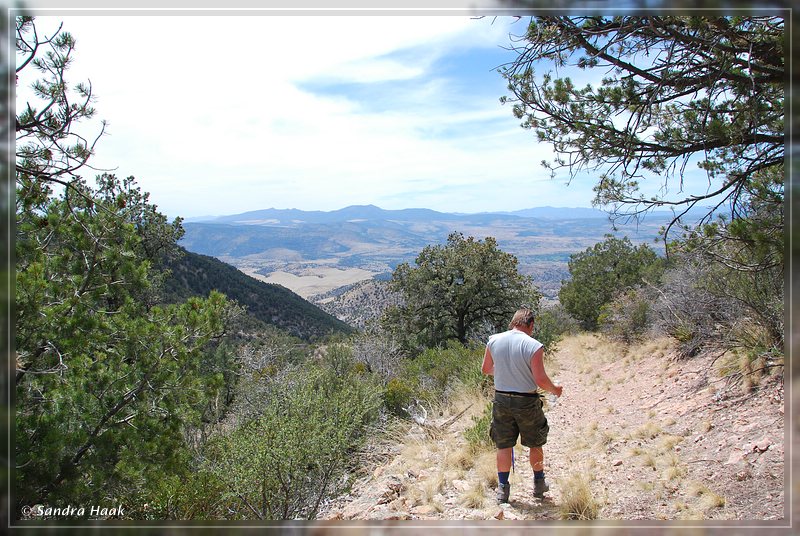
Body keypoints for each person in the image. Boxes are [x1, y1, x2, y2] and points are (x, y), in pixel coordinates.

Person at [481, 307, 563, 503]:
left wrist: (505, 372)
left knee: (503, 444)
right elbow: (540, 379)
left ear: (513, 322)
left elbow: (486, 369)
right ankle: (539, 484)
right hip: (526, 401)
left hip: (501, 399)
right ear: (530, 324)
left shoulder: (494, 340)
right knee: (535, 442)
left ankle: (503, 489)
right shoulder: (534, 346)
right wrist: (555, 389)